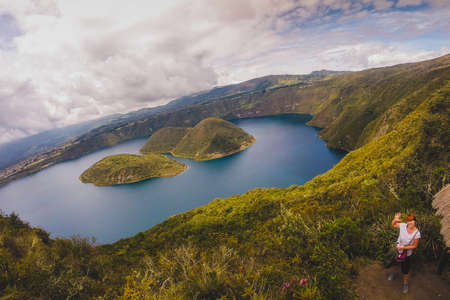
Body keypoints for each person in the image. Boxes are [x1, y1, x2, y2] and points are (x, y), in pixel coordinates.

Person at [388, 212, 421, 294]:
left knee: (406, 270)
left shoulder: (417, 233)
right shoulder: (403, 225)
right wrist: (395, 220)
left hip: (407, 254)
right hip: (398, 250)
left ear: (415, 221)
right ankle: (393, 273)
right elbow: (393, 225)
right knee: (395, 263)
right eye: (408, 221)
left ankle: (405, 284)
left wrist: (403, 247)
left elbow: (414, 246)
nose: (410, 222)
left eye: (412, 220)